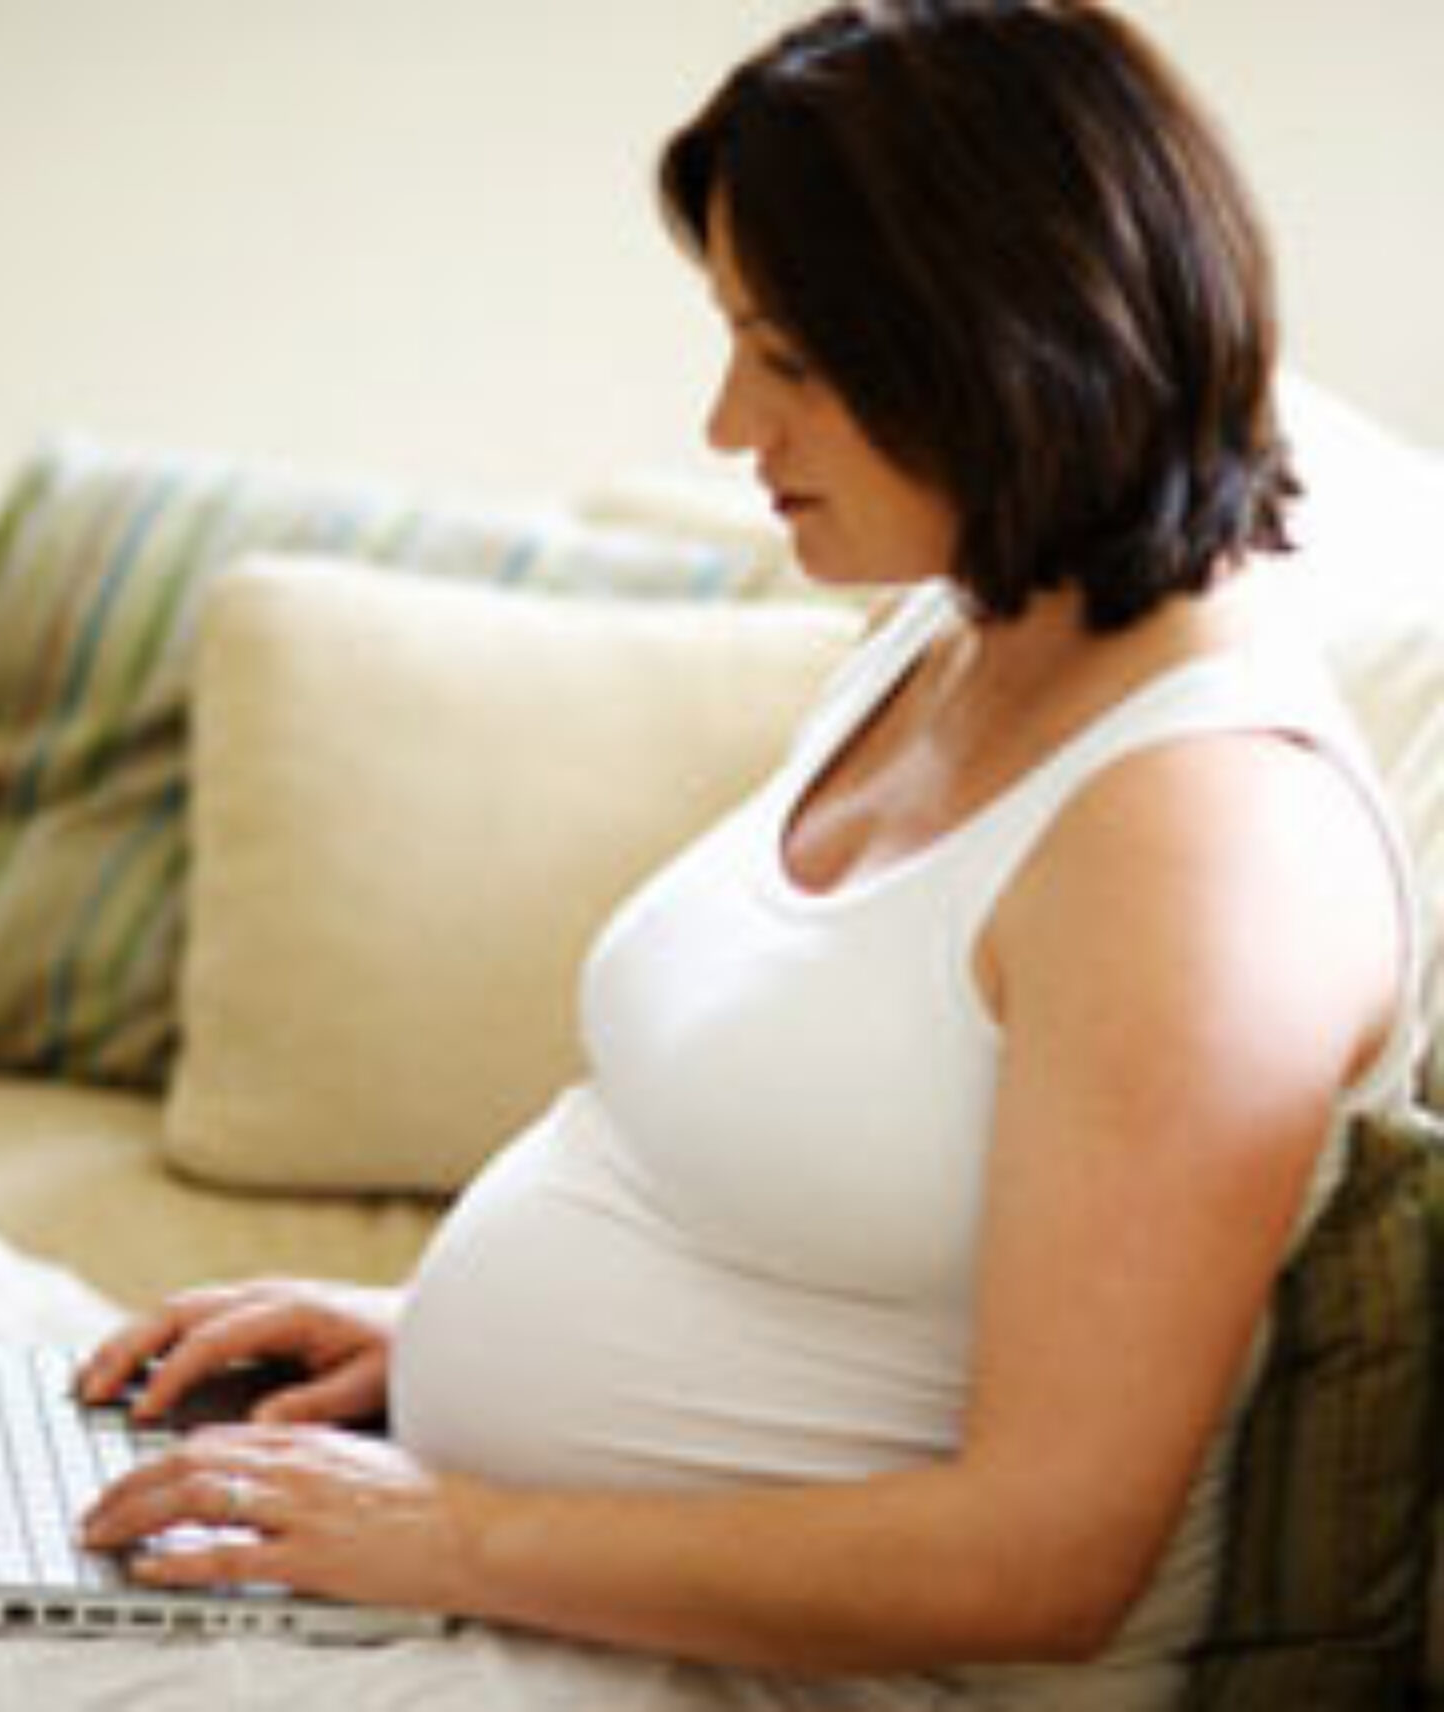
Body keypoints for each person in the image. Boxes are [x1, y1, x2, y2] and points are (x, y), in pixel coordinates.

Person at [75, 3, 1424, 1707]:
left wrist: (457, 1533)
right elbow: (827, 1206)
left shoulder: (1204, 843)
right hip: (549, 1579)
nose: (729, 426)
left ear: (1008, 346)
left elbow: (1045, 1556)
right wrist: (424, 1337)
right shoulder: (960, 631)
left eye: (789, 362)